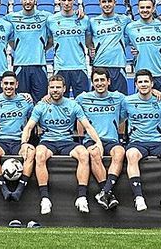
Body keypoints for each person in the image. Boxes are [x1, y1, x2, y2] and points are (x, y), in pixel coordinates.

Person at [22, 74, 102, 215]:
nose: (55, 90)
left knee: (84, 154)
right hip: (48, 142)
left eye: (58, 87)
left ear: (64, 89)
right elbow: (28, 127)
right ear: (48, 89)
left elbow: (87, 126)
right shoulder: (41, 106)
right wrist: (23, 143)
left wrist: (98, 142)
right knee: (39, 154)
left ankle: (82, 197)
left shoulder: (73, 105)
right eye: (52, 87)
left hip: (67, 142)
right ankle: (45, 198)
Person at [124, 70, 161, 212]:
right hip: (137, 141)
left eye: (146, 81)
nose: (143, 84)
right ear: (135, 84)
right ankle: (139, 198)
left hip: (157, 142)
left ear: (152, 84)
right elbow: (121, 120)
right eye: (140, 82)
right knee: (131, 155)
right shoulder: (127, 101)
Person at [77, 68, 127, 210]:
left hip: (111, 140)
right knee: (93, 153)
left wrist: (155, 91)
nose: (99, 83)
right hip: (92, 140)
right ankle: (108, 193)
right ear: (92, 83)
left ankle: (105, 192)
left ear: (108, 81)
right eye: (96, 80)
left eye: (102, 80)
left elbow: (141, 96)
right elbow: (63, 102)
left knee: (120, 152)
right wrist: (46, 97)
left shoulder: (119, 98)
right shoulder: (82, 98)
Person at [0, 71, 35, 202]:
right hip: (0, 141)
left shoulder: (26, 101)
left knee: (31, 152)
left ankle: (19, 190)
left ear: (17, 84)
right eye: (6, 83)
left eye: (12, 83)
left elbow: (34, 121)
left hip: (19, 141)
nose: (8, 86)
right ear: (1, 84)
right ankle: (4, 189)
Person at [5, 0, 50, 101]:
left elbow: (54, 36)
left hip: (39, 66)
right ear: (21, 0)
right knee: (22, 102)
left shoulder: (46, 17)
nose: (27, 1)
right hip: (20, 66)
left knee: (41, 103)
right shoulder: (11, 18)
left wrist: (42, 48)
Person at [47, 0, 92, 97]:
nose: (66, 3)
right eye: (64, 0)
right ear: (59, 1)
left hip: (80, 67)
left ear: (74, 0)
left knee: (82, 102)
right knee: (60, 103)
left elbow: (89, 42)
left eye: (69, 0)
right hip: (60, 68)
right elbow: (50, 41)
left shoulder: (84, 19)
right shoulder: (52, 20)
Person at [125, 0, 161, 93]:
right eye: (142, 7)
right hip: (141, 76)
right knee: (142, 108)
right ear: (138, 9)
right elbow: (121, 44)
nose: (145, 10)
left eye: (148, 7)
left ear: (153, 8)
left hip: (160, 74)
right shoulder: (130, 28)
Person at [90, 0, 131, 92]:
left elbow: (133, 34)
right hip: (99, 66)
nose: (107, 4)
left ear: (115, 3)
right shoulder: (93, 22)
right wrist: (91, 48)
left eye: (109, 1)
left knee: (120, 100)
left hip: (118, 66)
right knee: (99, 100)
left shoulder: (124, 20)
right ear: (99, 4)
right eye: (104, 2)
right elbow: (87, 39)